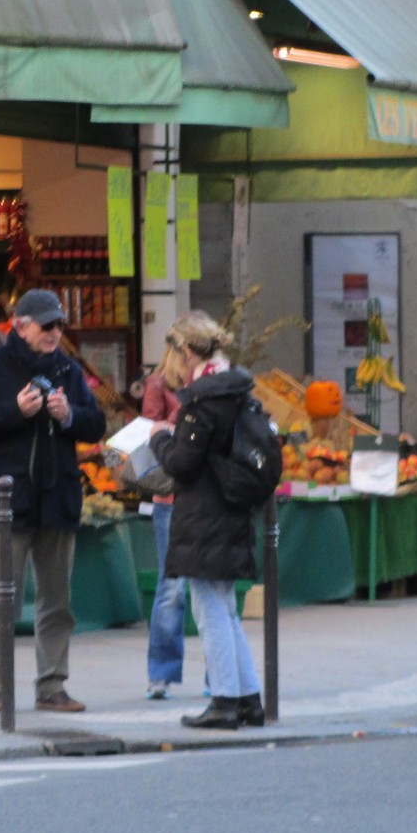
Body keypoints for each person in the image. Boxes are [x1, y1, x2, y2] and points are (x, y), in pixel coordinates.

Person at [0, 287, 106, 714]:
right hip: (5, 499)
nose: (55, 332)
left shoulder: (68, 370)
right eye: (47, 324)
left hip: (57, 497)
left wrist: (70, 415)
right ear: (20, 327)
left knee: (57, 600)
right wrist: (14, 410)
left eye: (59, 324)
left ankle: (52, 685)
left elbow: (96, 425)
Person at [153, 334, 265, 730]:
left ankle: (224, 702)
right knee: (227, 609)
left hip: (205, 515)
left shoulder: (202, 401)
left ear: (187, 354)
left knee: (210, 611)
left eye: (176, 359)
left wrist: (161, 441)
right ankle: (249, 699)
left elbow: (183, 464)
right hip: (232, 511)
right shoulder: (237, 389)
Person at [140, 311, 230, 699]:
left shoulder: (217, 384)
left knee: (213, 593)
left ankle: (220, 677)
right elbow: (149, 430)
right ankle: (161, 673)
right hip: (169, 496)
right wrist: (180, 417)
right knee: (171, 586)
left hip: (206, 496)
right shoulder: (158, 384)